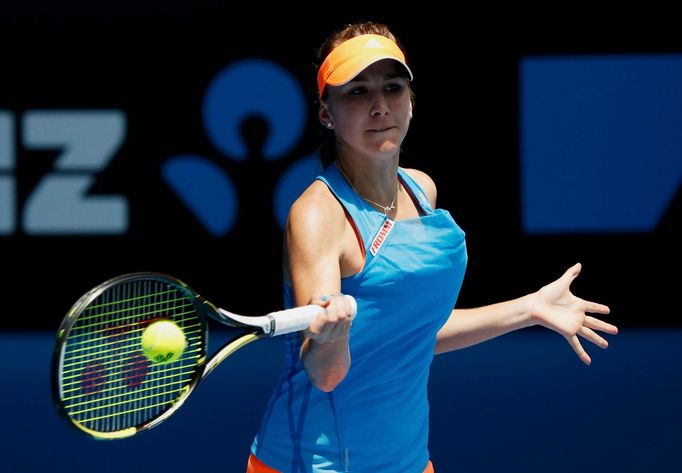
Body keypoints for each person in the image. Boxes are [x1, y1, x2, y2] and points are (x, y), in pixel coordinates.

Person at [246, 21, 618, 473]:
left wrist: (530, 309)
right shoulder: (318, 215)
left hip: (407, 461)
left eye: (393, 87)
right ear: (327, 113)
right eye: (358, 92)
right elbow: (324, 373)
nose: (380, 106)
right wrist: (332, 334)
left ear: (411, 100)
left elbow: (412, 333)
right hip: (317, 464)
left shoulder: (421, 190)